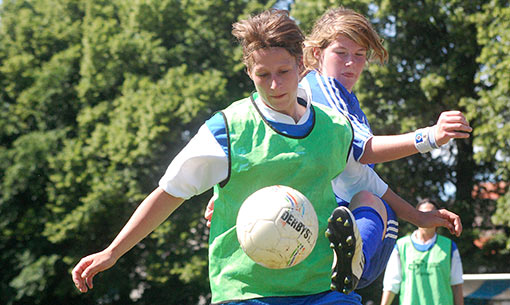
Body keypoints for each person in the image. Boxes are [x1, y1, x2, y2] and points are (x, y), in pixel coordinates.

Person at [71, 9, 398, 305]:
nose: (274, 84)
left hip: (320, 290)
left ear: (302, 64)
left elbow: (365, 183)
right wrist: (112, 252)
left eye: (284, 71)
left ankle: (354, 264)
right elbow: (170, 193)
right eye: (262, 74)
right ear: (248, 72)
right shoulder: (228, 129)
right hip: (246, 292)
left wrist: (418, 213)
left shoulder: (334, 128)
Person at [205, 6, 467, 298]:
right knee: (376, 207)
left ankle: (348, 266)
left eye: (359, 55)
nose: (351, 64)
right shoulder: (324, 91)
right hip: (314, 218)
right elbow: (365, 152)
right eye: (341, 53)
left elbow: (357, 174)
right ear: (316, 53)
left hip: (302, 223)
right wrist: (430, 136)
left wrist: (418, 217)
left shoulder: (315, 98)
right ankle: (352, 264)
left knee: (372, 199)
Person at [380, 199, 464, 305]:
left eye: (432, 214)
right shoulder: (401, 246)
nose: (427, 217)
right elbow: (391, 285)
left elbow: (457, 284)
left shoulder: (449, 246)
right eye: (423, 214)